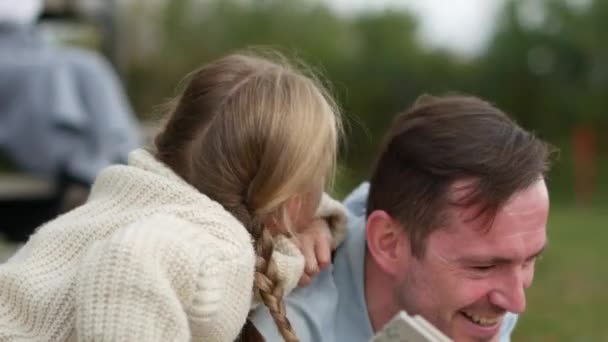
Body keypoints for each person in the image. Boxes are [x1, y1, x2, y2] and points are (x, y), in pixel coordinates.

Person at [0, 51, 348, 342]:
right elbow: (128, 260)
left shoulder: (144, 197)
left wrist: (316, 220)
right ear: (289, 200)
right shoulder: (217, 247)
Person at [249, 94, 555, 342]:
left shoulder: (479, 305)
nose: (515, 302)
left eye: (529, 261)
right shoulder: (286, 326)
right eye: (483, 266)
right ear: (388, 243)